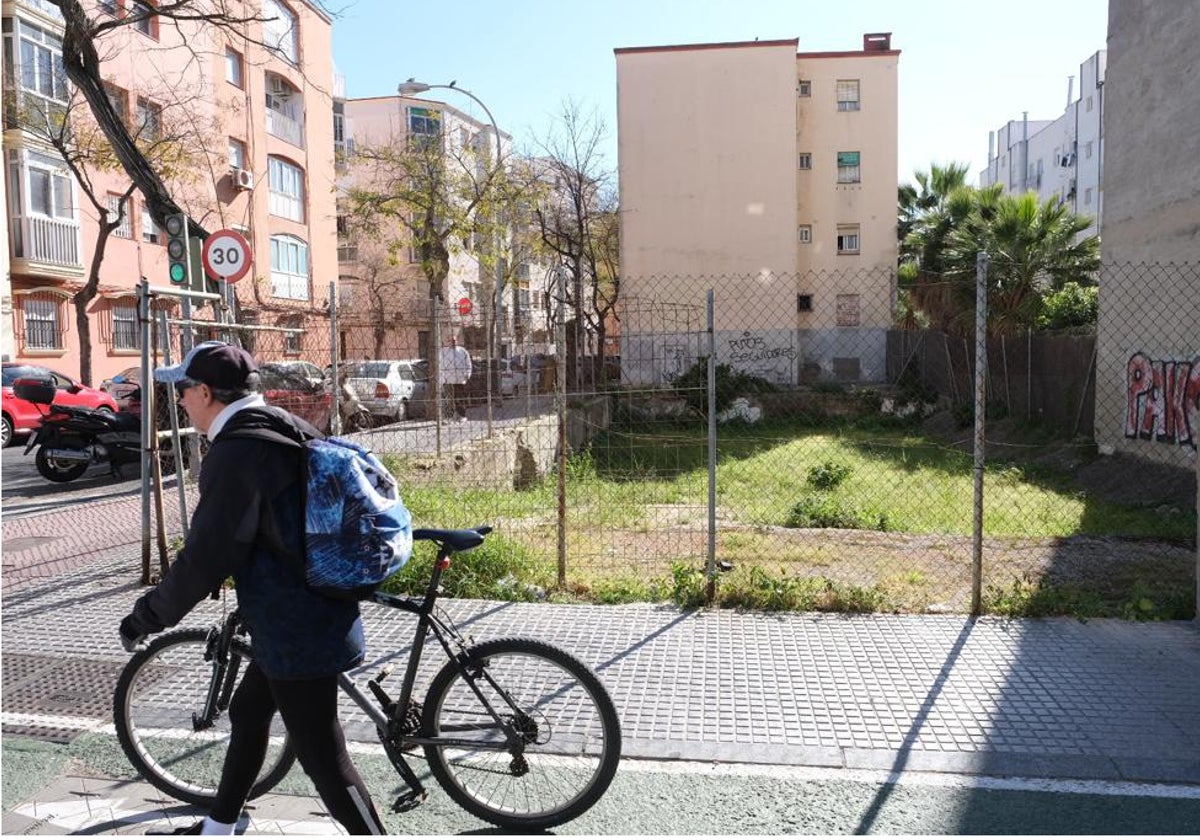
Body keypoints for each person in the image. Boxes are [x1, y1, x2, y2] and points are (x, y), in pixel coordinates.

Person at [118, 341, 384, 836]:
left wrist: (146, 616)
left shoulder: (240, 452)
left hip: (297, 628)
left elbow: (205, 557)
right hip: (302, 612)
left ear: (204, 391)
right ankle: (220, 825)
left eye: (182, 389)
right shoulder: (283, 426)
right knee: (247, 710)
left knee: (324, 758)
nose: (178, 400)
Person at [438, 335, 472, 421]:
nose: (452, 342)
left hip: (459, 379)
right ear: (448, 342)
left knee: (459, 398)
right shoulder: (443, 352)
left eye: (454, 341)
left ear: (456, 341)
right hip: (447, 380)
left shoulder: (462, 351)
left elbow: (468, 364)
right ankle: (448, 417)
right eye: (450, 341)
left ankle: (462, 415)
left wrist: (468, 374)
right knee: (448, 399)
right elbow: (439, 364)